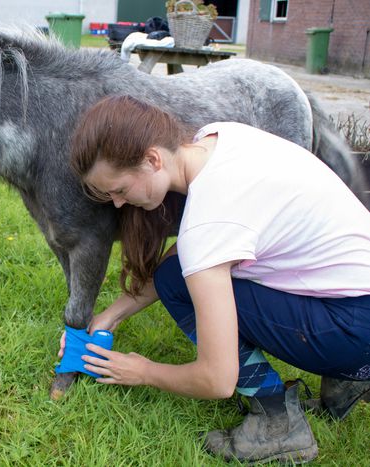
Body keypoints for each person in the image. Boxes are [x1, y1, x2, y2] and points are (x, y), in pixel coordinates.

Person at [63, 95, 370, 463]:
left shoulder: (208, 224)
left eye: (120, 190)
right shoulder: (219, 138)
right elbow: (187, 257)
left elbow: (217, 379)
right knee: (177, 274)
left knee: (182, 284)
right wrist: (110, 316)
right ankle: (348, 378)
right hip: (356, 299)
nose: (116, 204)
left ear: (152, 159)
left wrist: (142, 371)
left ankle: (279, 424)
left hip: (356, 328)